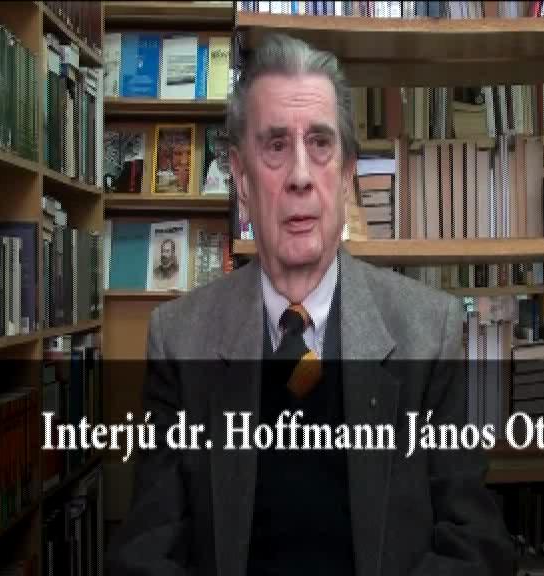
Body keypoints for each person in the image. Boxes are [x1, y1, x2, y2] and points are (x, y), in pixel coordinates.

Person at [108, 33, 515, 576]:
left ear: (346, 174)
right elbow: (144, 552)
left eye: (320, 143)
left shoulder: (427, 329)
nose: (300, 176)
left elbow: (478, 545)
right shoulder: (180, 337)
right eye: (276, 146)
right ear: (242, 179)